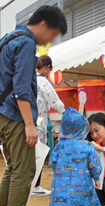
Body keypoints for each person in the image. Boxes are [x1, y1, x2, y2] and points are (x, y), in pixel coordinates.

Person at [0, 5, 66, 206]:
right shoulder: (26, 43)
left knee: (12, 168)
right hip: (15, 115)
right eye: (53, 34)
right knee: (24, 169)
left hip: (2, 113)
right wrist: (29, 124)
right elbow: (21, 88)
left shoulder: (8, 38)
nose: (50, 40)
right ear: (44, 25)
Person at [49, 108, 101, 206]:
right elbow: (93, 163)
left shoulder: (59, 146)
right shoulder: (87, 145)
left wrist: (59, 172)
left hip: (62, 181)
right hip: (82, 182)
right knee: (85, 205)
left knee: (64, 203)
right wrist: (96, 177)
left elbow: (53, 161)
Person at [32, 55, 65, 197]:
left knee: (29, 156)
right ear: (47, 67)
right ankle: (35, 185)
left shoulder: (28, 79)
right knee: (38, 154)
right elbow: (55, 101)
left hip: (27, 122)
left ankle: (31, 185)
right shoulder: (42, 82)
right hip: (38, 124)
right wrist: (66, 112)